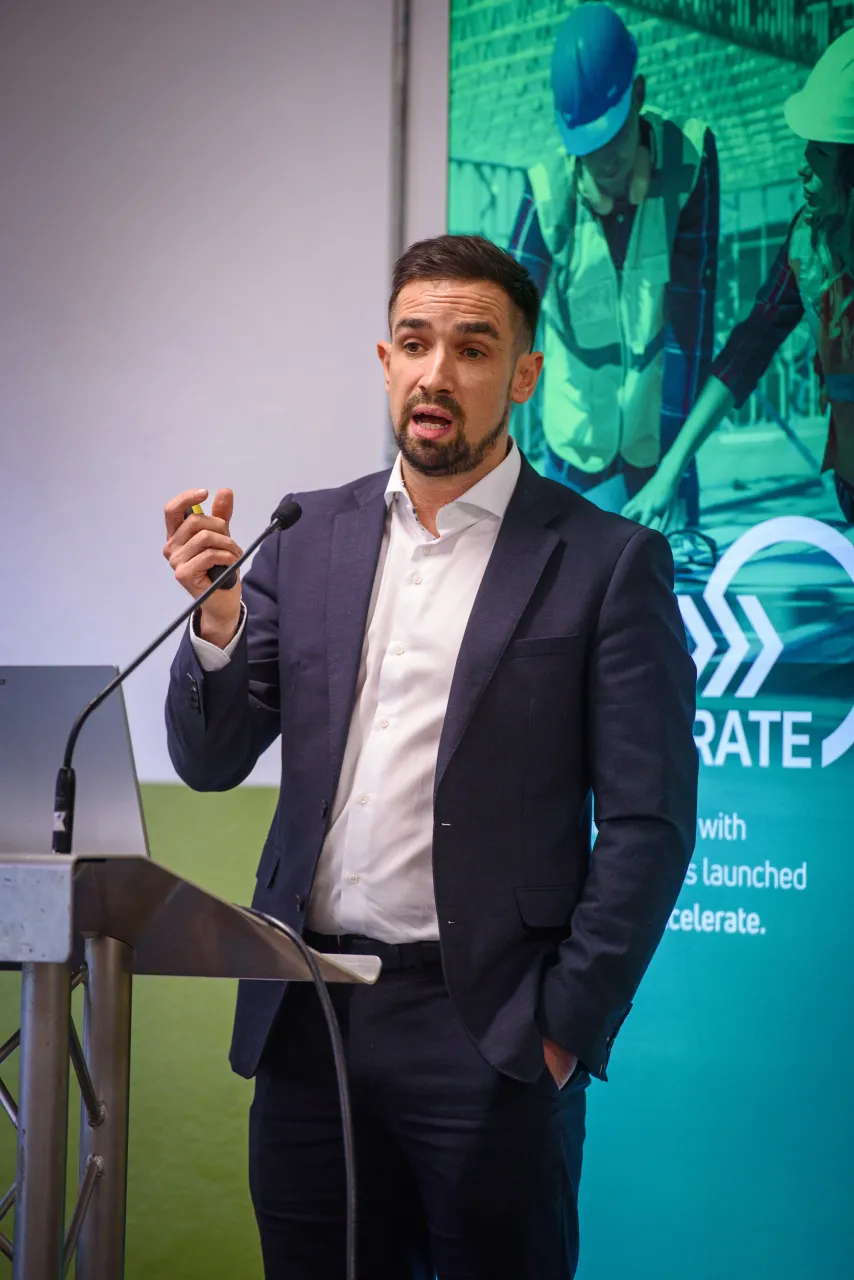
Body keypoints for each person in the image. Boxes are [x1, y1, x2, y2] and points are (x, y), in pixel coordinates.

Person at [163, 234, 698, 1280]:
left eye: (470, 345)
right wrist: (216, 622)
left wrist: (558, 1027)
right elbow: (212, 756)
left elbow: (648, 823)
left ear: (525, 373)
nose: (435, 372)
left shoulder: (603, 562)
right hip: (306, 1016)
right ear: (383, 361)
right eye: (414, 343)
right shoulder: (304, 535)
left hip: (488, 1035)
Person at [623, 28, 854, 530]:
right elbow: (746, 353)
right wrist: (669, 473)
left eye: (822, 155)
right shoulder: (807, 245)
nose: (802, 168)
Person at [510, 2, 719, 521]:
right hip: (572, 459)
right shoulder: (546, 195)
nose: (602, 159)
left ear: (640, 96)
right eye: (587, 144)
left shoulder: (689, 164)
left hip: (657, 450)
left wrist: (675, 468)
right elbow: (499, 328)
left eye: (612, 136)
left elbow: (691, 329)